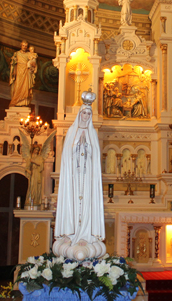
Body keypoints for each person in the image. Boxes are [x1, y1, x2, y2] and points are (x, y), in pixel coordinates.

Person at [53, 92, 106, 261]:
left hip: (87, 177)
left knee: (87, 204)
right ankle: (70, 233)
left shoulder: (92, 134)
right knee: (73, 203)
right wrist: (77, 144)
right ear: (79, 114)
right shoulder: (71, 131)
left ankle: (85, 236)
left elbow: (95, 156)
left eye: (89, 114)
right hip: (74, 177)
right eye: (84, 113)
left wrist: (87, 146)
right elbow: (66, 153)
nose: (86, 116)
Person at [9, 40, 36, 107]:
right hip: (18, 71)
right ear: (21, 45)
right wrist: (13, 70)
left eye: (26, 46)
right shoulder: (17, 53)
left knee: (25, 87)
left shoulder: (29, 54)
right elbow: (13, 63)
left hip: (26, 72)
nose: (24, 47)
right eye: (23, 45)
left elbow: (33, 63)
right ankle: (15, 101)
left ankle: (24, 103)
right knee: (17, 86)